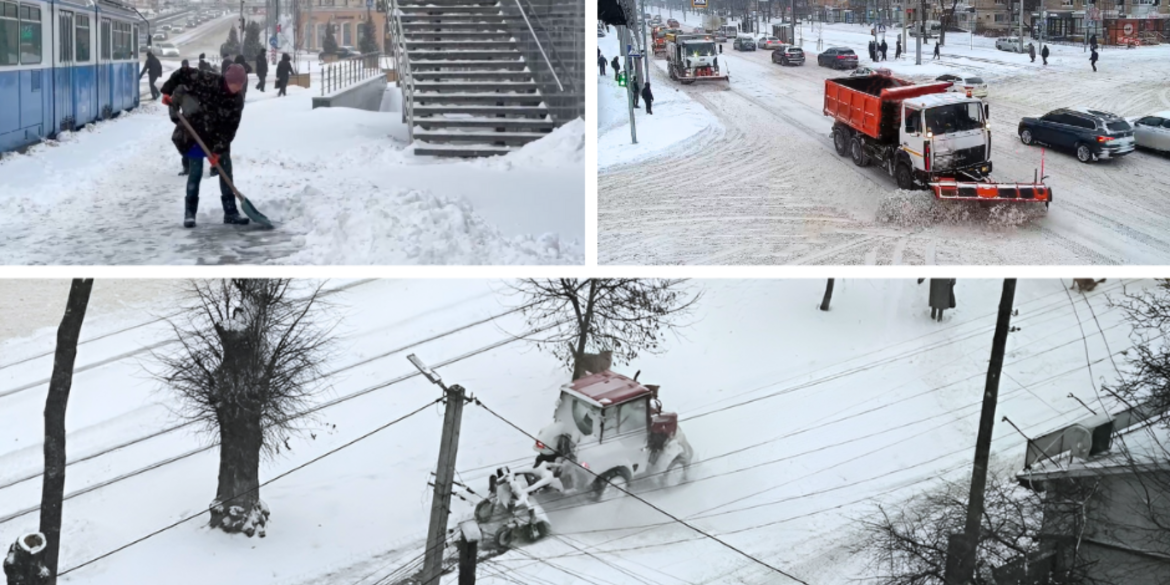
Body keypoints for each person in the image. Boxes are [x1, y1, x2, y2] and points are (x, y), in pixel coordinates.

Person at [161, 64, 250, 228]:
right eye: (235, 84)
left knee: (225, 171)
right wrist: (167, 91)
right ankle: (190, 213)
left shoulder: (237, 100)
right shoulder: (209, 80)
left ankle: (230, 212)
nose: (238, 88)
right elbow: (183, 72)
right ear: (227, 80)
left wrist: (218, 150)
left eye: (241, 85)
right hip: (197, 131)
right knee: (195, 171)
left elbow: (231, 128)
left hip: (218, 136)